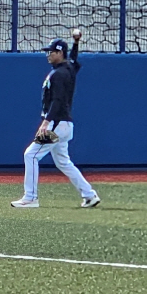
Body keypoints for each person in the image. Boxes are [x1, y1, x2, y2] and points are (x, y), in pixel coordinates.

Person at [11, 28, 100, 209]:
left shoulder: (60, 74)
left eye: (51, 52)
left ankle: (30, 197)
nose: (48, 55)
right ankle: (89, 195)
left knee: (31, 155)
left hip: (56, 124)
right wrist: (76, 43)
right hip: (64, 125)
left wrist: (46, 123)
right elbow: (74, 60)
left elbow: (58, 100)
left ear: (60, 53)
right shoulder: (68, 69)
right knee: (63, 162)